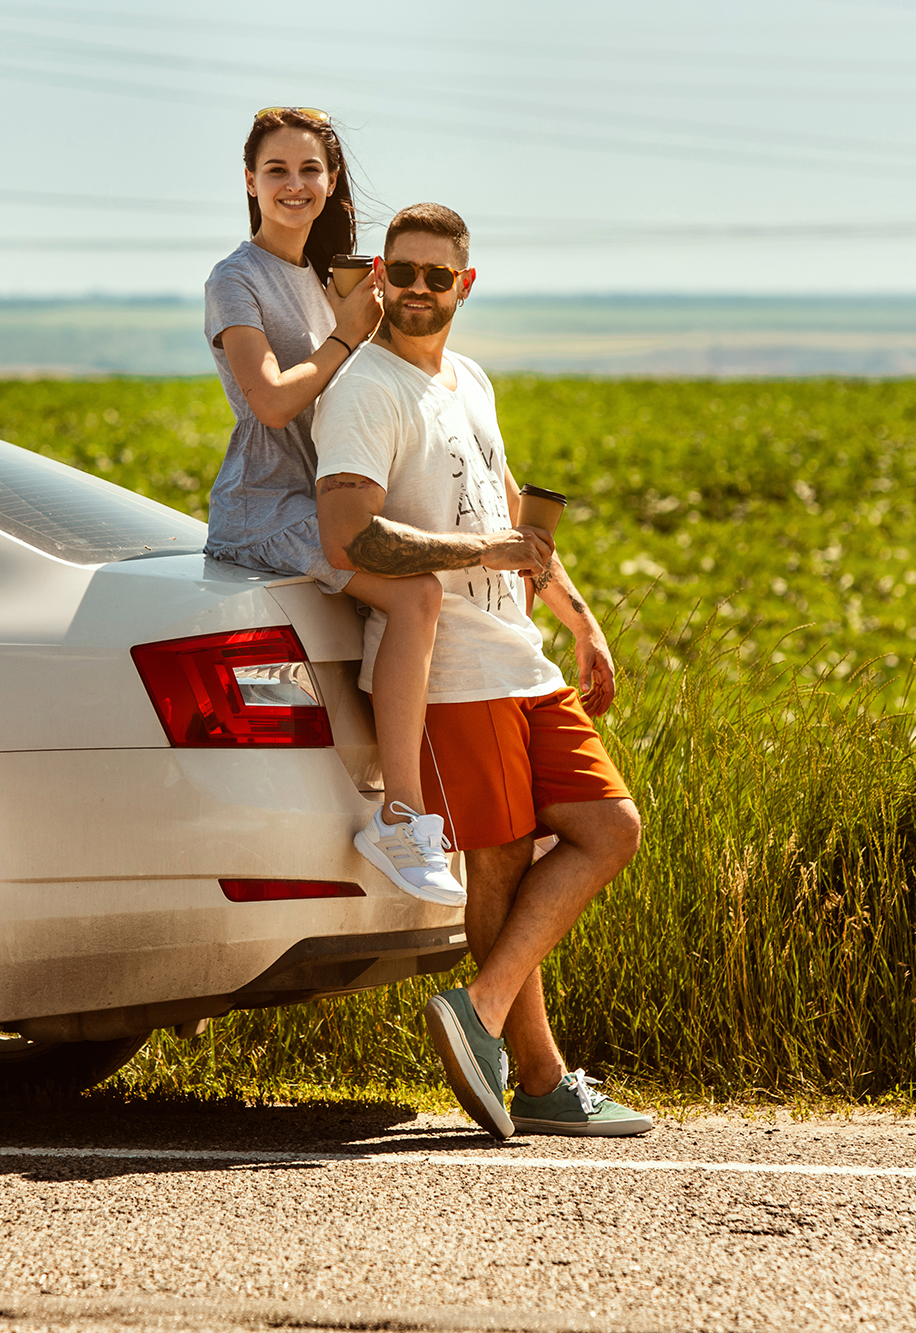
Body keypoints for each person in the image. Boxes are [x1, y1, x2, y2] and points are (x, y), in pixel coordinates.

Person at [313, 203, 651, 1138]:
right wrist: (481, 551)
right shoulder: (363, 390)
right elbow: (352, 534)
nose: (418, 290)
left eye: (437, 276)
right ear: (380, 276)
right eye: (403, 273)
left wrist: (579, 622)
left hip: (522, 659)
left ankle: (484, 1008)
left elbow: (515, 523)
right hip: (451, 670)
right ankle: (541, 1082)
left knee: (608, 827)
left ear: (465, 285)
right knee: (499, 859)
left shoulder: (469, 379)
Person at [202, 107, 466, 907]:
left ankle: (445, 801)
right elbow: (272, 403)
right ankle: (399, 815)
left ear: (330, 182)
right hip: (267, 507)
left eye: (309, 170)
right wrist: (347, 337)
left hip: (331, 500)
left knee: (440, 579)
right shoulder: (234, 279)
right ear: (249, 182)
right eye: (276, 170)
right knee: (415, 590)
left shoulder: (330, 279)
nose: (294, 185)